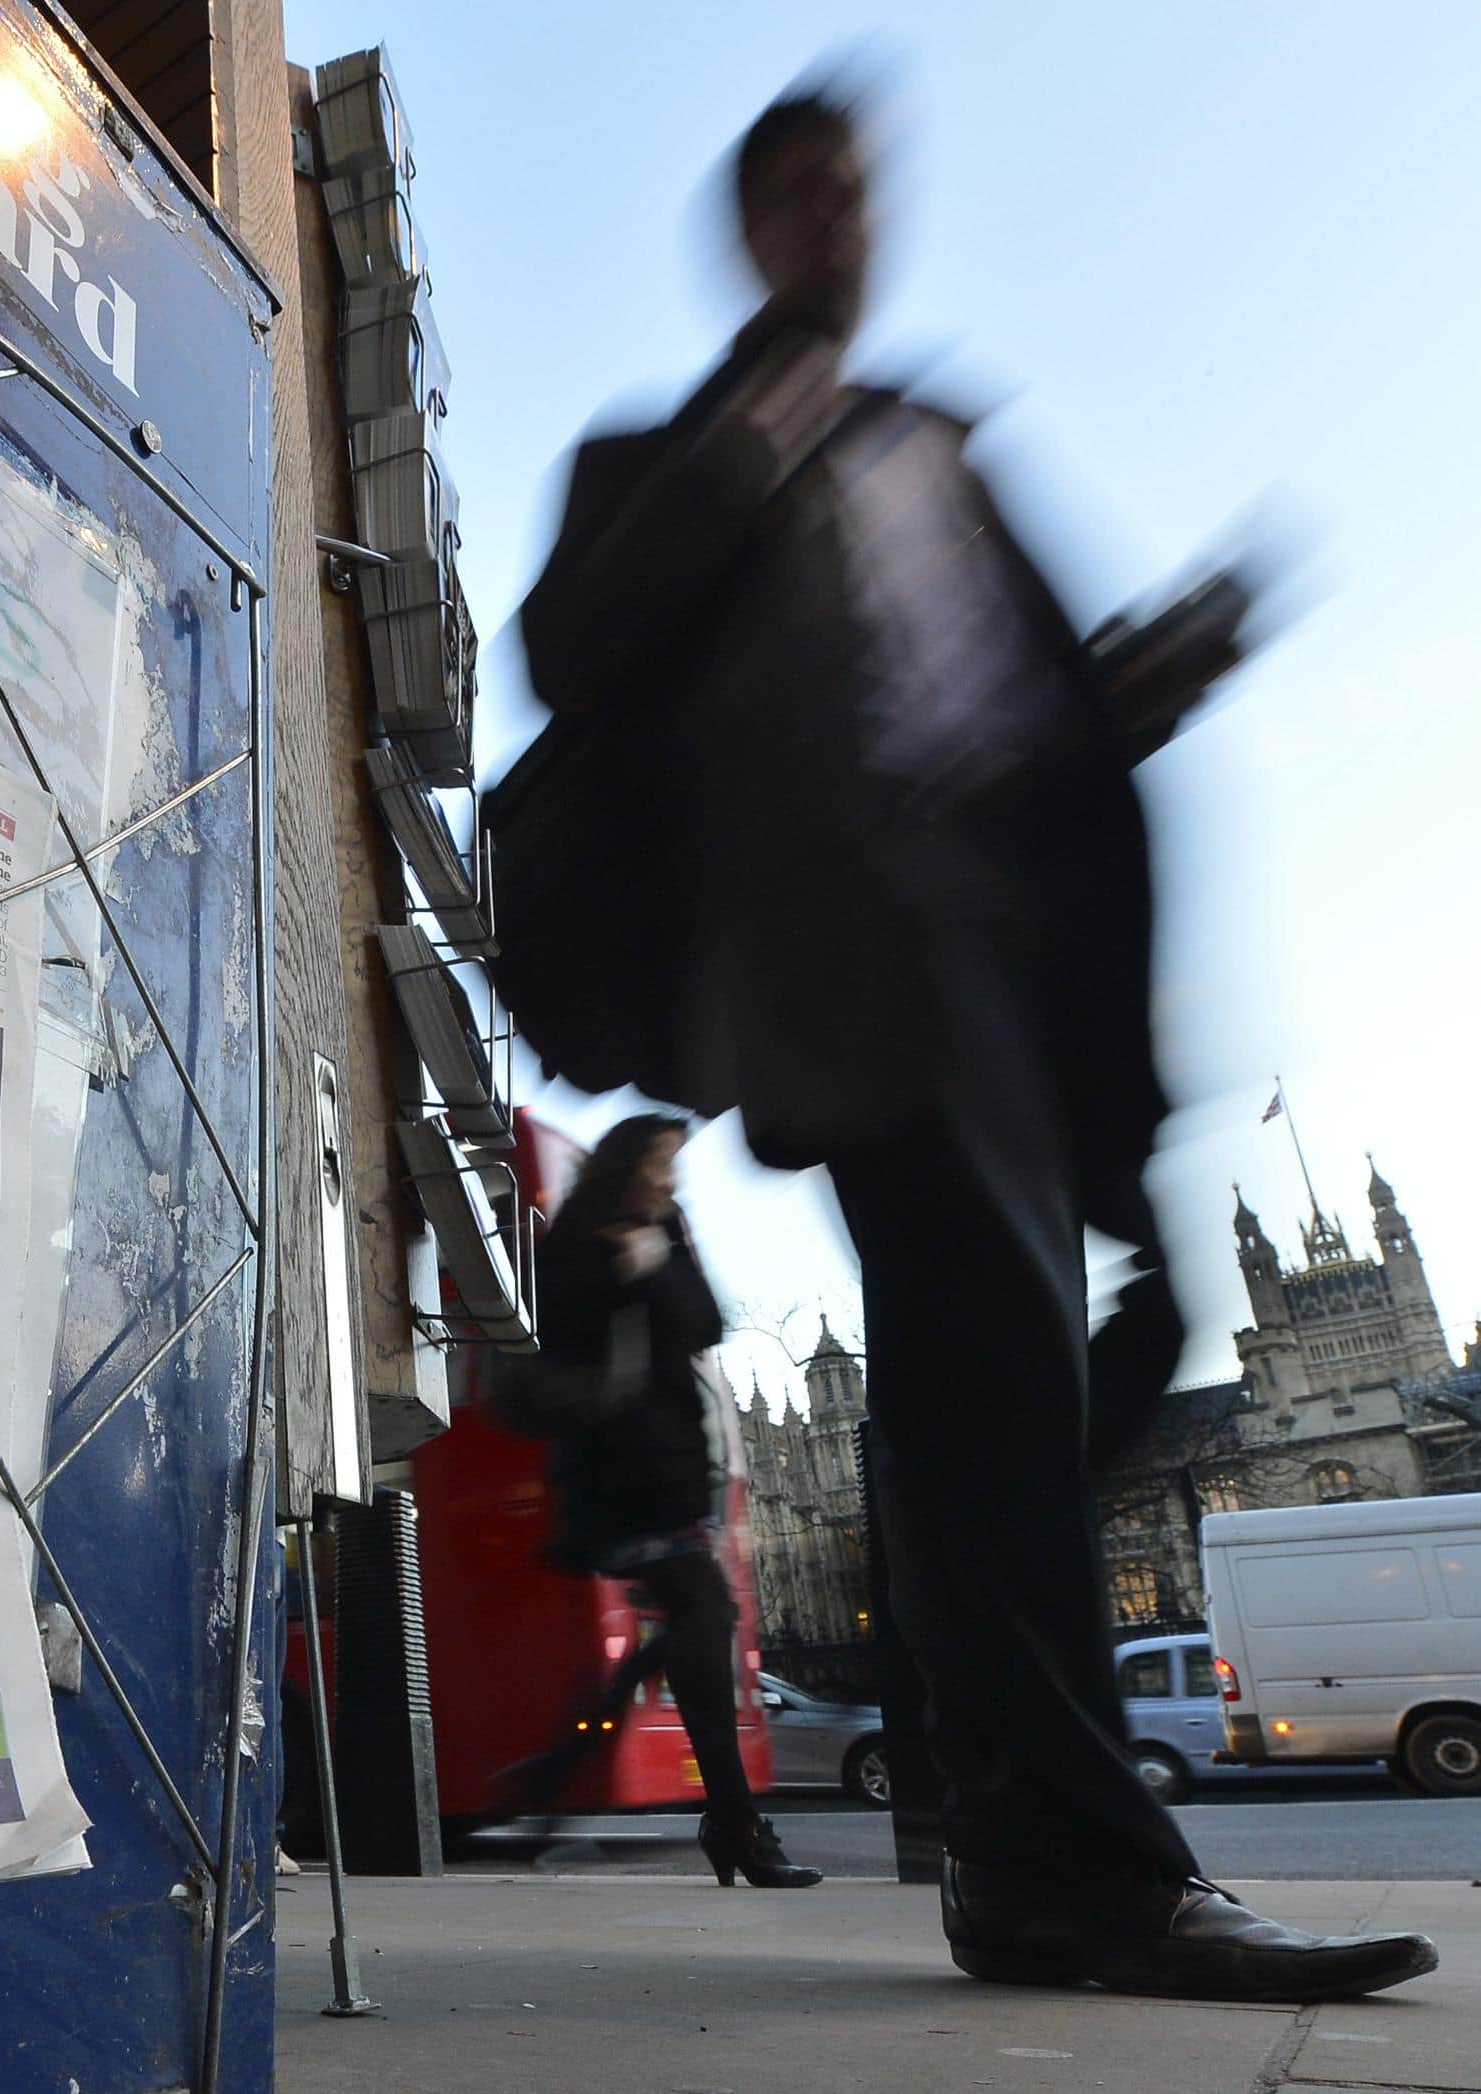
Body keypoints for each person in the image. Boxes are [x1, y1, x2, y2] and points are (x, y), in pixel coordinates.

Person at [517, 88, 1434, 1998]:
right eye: (807, 188)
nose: (847, 215)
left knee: (1009, 1388)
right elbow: (570, 644)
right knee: (990, 1371)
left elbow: (1023, 716)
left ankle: (1015, 1830)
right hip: (849, 962)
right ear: (757, 226)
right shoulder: (671, 456)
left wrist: (1154, 666)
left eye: (865, 185)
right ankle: (1082, 1867)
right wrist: (762, 419)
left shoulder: (944, 447)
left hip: (1013, 968)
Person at [509, 1114, 818, 1891]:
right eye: (660, 1165)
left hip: (681, 1468)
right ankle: (739, 1828)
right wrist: (622, 1273)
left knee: (689, 1630)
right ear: (625, 1168)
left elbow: (706, 1324)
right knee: (706, 1617)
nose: (670, 1181)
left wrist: (652, 1262)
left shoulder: (666, 1232)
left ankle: (552, 1776)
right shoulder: (575, 1240)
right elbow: (563, 1340)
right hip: (620, 1478)